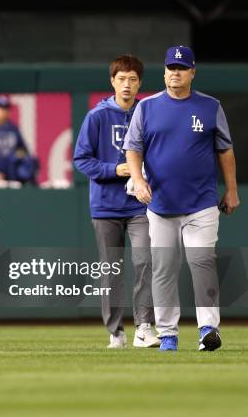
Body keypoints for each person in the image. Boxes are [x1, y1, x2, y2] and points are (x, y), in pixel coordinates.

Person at [124, 46, 239, 352]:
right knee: (163, 268)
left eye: (181, 68)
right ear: (164, 72)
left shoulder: (209, 106)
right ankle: (168, 334)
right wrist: (137, 179)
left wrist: (232, 190)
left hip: (201, 205)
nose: (175, 73)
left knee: (202, 263)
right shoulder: (146, 108)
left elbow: (225, 150)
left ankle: (207, 330)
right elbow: (133, 148)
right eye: (170, 68)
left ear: (192, 73)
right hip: (160, 206)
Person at [74, 55, 159, 349]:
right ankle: (116, 332)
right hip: (106, 207)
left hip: (141, 204)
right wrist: (115, 169)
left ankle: (144, 327)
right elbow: (81, 160)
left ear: (140, 84)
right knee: (111, 271)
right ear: (112, 82)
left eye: (133, 80)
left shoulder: (149, 113)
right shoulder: (96, 117)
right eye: (122, 79)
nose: (127, 85)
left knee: (145, 262)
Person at [0, 95, 39, 185]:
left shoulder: (13, 128)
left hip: (11, 175)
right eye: (1, 108)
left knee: (30, 163)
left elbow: (22, 149)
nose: (4, 112)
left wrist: (19, 156)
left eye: (6, 109)